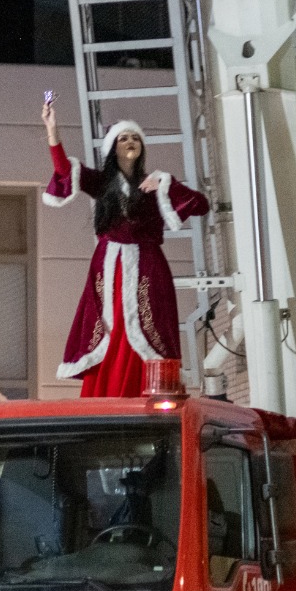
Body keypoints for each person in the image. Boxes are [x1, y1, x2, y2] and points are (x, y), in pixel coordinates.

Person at [40, 98, 210, 397]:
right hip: (110, 265)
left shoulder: (153, 183)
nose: (130, 142)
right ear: (112, 147)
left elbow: (200, 204)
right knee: (111, 323)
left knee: (149, 323)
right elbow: (65, 171)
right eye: (123, 137)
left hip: (147, 264)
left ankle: (150, 387)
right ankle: (108, 391)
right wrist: (53, 133)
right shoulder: (101, 182)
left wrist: (166, 183)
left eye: (135, 137)